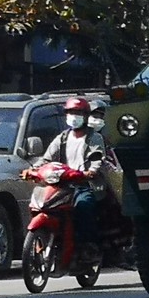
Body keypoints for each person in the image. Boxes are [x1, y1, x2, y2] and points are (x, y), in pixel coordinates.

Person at [40, 97, 107, 262]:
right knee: (42, 204)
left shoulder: (94, 138)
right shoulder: (62, 137)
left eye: (77, 113)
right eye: (70, 113)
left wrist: (91, 171)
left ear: (85, 116)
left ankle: (88, 246)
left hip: (84, 185)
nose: (73, 116)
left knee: (83, 207)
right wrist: (33, 169)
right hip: (61, 185)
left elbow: (97, 159)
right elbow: (46, 159)